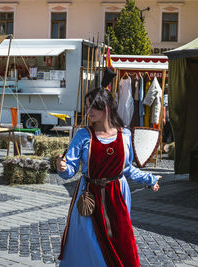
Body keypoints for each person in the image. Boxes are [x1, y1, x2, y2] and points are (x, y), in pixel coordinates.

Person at [56, 88, 160, 266]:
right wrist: (62, 167)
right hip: (89, 196)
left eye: (92, 108)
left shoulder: (124, 135)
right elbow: (70, 169)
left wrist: (150, 179)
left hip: (117, 196)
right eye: (87, 107)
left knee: (120, 241)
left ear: (105, 108)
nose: (88, 112)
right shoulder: (83, 135)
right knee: (89, 242)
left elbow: (127, 169)